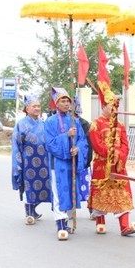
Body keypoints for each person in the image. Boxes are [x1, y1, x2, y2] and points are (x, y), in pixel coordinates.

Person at [87, 85, 135, 236]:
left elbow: (125, 145)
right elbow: (97, 145)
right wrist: (109, 155)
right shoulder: (95, 124)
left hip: (118, 166)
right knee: (101, 192)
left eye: (116, 106)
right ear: (104, 106)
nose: (115, 109)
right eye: (112, 106)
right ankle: (100, 222)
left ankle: (124, 226)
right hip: (102, 164)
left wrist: (119, 156)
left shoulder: (120, 124)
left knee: (122, 193)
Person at [44, 88, 90, 240]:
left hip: (72, 162)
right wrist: (66, 136)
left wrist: (78, 149)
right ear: (56, 103)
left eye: (67, 101)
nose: (65, 103)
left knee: (71, 192)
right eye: (62, 101)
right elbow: (50, 143)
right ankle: (60, 224)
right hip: (57, 163)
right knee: (59, 192)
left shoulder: (75, 120)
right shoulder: (50, 122)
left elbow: (83, 141)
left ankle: (66, 218)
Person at [11, 96, 51, 224]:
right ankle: (29, 211)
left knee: (45, 187)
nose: (37, 108)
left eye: (38, 106)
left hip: (44, 161)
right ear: (27, 109)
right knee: (29, 187)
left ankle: (33, 209)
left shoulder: (44, 123)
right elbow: (16, 145)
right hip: (28, 161)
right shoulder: (21, 124)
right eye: (34, 106)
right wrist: (18, 163)